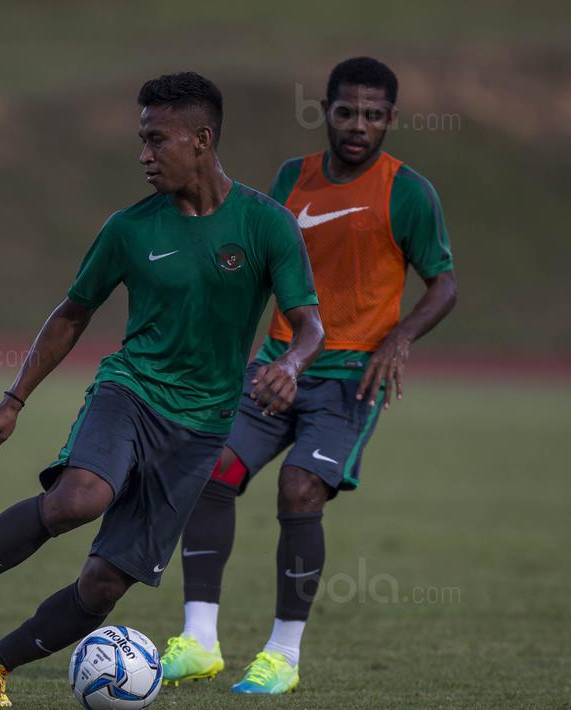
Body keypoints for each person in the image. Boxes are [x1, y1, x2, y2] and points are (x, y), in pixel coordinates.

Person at [0, 72, 325, 707]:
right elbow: (71, 314)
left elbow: (311, 327)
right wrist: (12, 400)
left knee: (104, 585)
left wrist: (294, 365)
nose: (143, 155)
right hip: (131, 392)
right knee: (76, 499)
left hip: (200, 430)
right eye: (140, 140)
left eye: (155, 140)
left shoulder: (267, 224)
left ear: (201, 139)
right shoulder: (129, 229)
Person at [159, 57, 457, 694]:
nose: (358, 125)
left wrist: (400, 338)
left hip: (351, 377)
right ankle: (200, 641)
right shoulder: (293, 178)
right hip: (277, 365)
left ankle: (282, 657)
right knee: (214, 471)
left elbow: (445, 283)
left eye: (373, 115)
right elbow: (265, 265)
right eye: (346, 111)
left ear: (390, 120)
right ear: (325, 110)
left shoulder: (408, 192)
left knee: (299, 490)